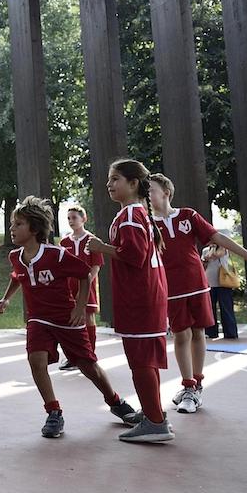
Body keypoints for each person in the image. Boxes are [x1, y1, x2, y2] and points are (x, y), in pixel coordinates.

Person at [0, 197, 139, 438]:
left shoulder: (57, 255)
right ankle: (54, 412)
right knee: (36, 360)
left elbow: (85, 274)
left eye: (18, 224)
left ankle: (115, 402)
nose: (12, 229)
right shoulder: (15, 257)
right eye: (12, 224)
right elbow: (17, 276)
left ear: (34, 229)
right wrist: (6, 298)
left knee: (88, 366)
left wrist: (80, 307)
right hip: (38, 319)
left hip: (65, 319)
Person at [148, 174, 247, 413]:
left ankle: (196, 386)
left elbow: (219, 238)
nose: (147, 194)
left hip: (197, 285)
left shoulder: (188, 216)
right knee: (181, 336)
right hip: (171, 290)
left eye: (151, 189)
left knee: (199, 333)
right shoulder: (147, 224)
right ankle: (187, 386)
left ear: (166, 192)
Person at [86, 159, 173, 443]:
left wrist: (101, 247)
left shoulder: (130, 215)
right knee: (145, 360)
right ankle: (153, 415)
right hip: (147, 297)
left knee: (141, 362)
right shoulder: (137, 213)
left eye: (115, 179)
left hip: (140, 298)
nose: (109, 184)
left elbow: (134, 256)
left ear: (133, 183)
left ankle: (155, 423)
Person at [57, 206, 103, 371]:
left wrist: (86, 284)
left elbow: (96, 266)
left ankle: (89, 355)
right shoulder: (64, 243)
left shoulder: (92, 240)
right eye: (68, 218)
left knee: (88, 317)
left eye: (74, 217)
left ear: (84, 219)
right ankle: (73, 357)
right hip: (69, 288)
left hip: (87, 286)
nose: (71, 221)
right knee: (70, 320)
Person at [203, 243, 238, 339]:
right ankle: (211, 332)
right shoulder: (205, 250)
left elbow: (215, 255)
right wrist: (209, 252)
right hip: (210, 282)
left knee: (226, 308)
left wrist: (213, 248)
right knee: (210, 309)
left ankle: (230, 332)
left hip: (224, 283)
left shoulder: (223, 248)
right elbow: (205, 260)